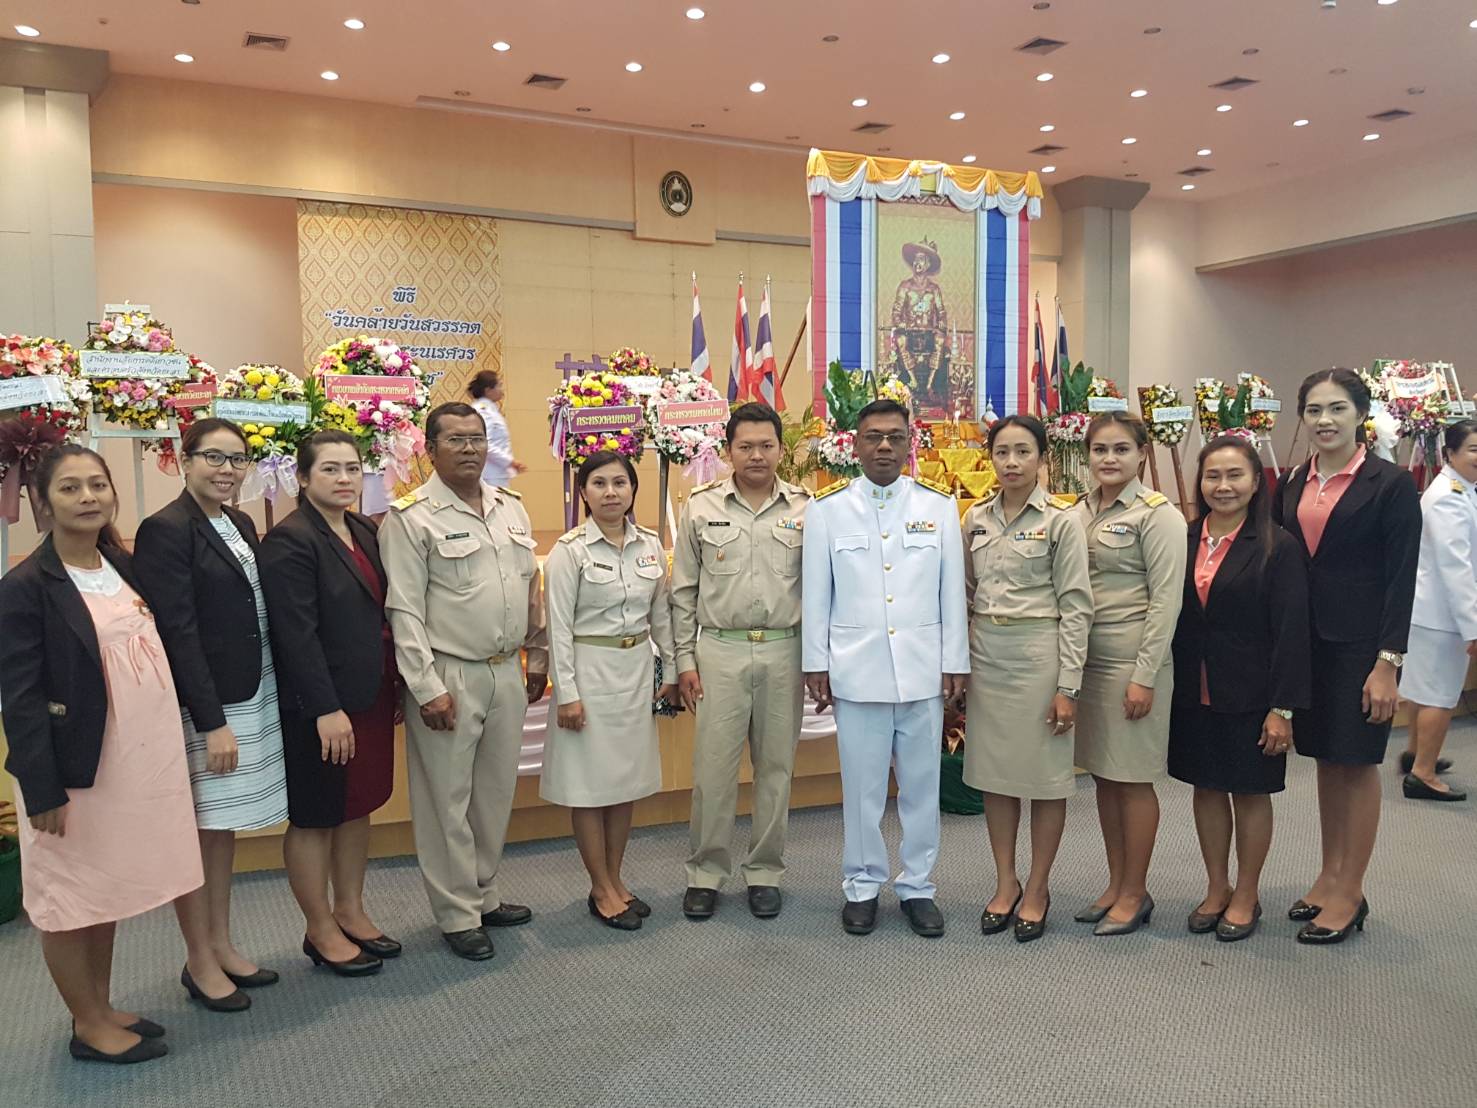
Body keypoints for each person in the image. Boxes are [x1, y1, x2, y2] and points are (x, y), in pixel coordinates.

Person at [0, 446, 204, 1064]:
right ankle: (87, 1024)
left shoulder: (121, 564)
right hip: (72, 771)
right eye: (69, 488)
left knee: (103, 889)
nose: (87, 497)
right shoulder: (25, 588)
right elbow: (20, 698)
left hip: (129, 766)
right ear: (42, 503)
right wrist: (43, 788)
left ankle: (101, 1004)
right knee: (68, 897)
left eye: (97, 484)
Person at [379, 402, 549, 960]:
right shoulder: (411, 519)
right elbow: (404, 610)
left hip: (505, 670)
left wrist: (538, 656)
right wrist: (426, 687)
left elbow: (529, 589)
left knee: (494, 794)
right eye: (455, 439)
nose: (470, 449)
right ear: (430, 450)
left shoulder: (510, 508)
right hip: (448, 673)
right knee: (446, 800)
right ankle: (457, 912)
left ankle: (483, 892)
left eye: (476, 438)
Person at [134, 418, 288, 1005]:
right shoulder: (165, 529)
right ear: (185, 459)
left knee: (222, 829)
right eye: (214, 458)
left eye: (237, 459)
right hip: (211, 703)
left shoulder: (238, 521)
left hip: (251, 688)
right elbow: (177, 630)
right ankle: (198, 959)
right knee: (201, 830)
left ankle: (220, 943)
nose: (227, 470)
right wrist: (211, 721)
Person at [802, 398, 968, 938]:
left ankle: (918, 886)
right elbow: (817, 594)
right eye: (873, 436)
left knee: (921, 788)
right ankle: (862, 884)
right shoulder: (828, 509)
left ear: (909, 443)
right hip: (857, 671)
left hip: (922, 671)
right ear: (855, 444)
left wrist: (955, 661)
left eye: (895, 437)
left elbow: (951, 592)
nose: (884, 447)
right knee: (863, 790)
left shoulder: (937, 505)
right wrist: (816, 662)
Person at [1273, 368, 1421, 944]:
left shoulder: (1391, 483)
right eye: (1314, 410)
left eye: (1337, 408)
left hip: (1362, 648)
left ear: (1361, 414)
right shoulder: (1293, 480)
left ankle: (1351, 890)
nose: (1325, 420)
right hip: (1308, 645)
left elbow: (1401, 580)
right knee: (1326, 761)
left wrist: (1389, 662)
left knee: (1357, 764)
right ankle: (1329, 873)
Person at [260, 431, 401, 977]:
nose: (344, 479)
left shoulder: (363, 528)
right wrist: (324, 708)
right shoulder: (290, 541)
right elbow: (295, 635)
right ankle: (319, 928)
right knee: (317, 815)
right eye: (330, 469)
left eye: (352, 469)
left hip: (368, 694)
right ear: (301, 478)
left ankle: (350, 910)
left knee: (357, 805)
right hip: (321, 707)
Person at [1168, 436, 1311, 942]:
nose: (1223, 486)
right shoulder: (1183, 537)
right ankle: (1216, 886)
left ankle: (1247, 892)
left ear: (1255, 483)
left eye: (1235, 475)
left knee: (1250, 793)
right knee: (1206, 787)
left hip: (1253, 694)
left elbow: (1292, 632)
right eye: (1213, 476)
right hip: (1192, 691)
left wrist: (1283, 708)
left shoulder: (1278, 545)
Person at [671, 403, 810, 921]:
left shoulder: (806, 508)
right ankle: (705, 872)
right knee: (713, 770)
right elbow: (682, 593)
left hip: (784, 648)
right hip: (720, 650)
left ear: (780, 449)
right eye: (745, 446)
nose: (756, 455)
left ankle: (765, 871)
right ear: (728, 451)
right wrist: (684, 660)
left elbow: (820, 590)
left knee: (776, 768)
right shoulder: (701, 507)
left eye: (766, 445)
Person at [962, 414, 1092, 943]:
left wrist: (1068, 686)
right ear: (990, 458)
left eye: (1023, 452)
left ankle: (1038, 887)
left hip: (1040, 657)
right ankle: (1005, 881)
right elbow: (964, 593)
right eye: (1002, 452)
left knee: (1044, 779)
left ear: (1042, 458)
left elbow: (1077, 607)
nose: (1011, 462)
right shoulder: (974, 518)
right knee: (995, 777)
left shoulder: (1062, 521)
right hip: (987, 656)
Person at [540, 451, 678, 929]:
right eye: (599, 483)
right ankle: (600, 887)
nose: (611, 492)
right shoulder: (570, 551)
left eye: (620, 482)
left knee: (623, 785)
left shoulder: (650, 545)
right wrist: (567, 693)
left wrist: (672, 671)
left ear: (633, 489)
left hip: (634, 672)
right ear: (583, 492)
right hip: (589, 674)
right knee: (590, 788)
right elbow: (557, 628)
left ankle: (616, 879)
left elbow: (661, 615)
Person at [1071, 412, 1187, 936]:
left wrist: (1145, 674)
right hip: (1089, 664)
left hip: (1132, 665)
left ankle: (1136, 892)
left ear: (1142, 453)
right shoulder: (1078, 510)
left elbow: (1166, 601)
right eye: (1100, 449)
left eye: (1121, 449)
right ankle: (1116, 882)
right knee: (1104, 777)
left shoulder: (1158, 516)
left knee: (1133, 780)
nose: (1109, 458)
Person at [1397, 419, 1477, 803]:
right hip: (1444, 617)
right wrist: (1473, 627)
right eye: (1474, 449)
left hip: (1430, 613)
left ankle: (1415, 755)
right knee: (1441, 696)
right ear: (1450, 454)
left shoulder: (1458, 488)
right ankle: (1423, 775)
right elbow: (1455, 568)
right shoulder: (1449, 497)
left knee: (1424, 691)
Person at [889, 239, 951, 406]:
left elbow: (941, 312)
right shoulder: (905, 286)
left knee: (940, 340)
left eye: (921, 259)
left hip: (928, 333)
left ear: (928, 264)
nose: (918, 263)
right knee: (900, 340)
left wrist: (942, 323)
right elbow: (896, 311)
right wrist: (900, 323)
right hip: (910, 333)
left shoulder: (934, 289)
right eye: (915, 259)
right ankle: (913, 381)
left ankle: (930, 385)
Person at [467, 369, 526, 487]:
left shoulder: (491, 410)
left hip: (496, 473)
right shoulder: (483, 411)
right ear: (488, 390)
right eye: (499, 385)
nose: (502, 390)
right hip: (489, 475)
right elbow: (484, 443)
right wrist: (509, 461)